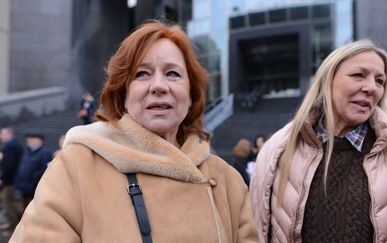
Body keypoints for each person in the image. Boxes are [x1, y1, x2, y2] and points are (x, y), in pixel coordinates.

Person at [10, 20, 258, 242]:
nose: (159, 86)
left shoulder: (228, 181)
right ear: (123, 93)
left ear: (191, 92)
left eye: (173, 73)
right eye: (142, 74)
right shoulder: (75, 167)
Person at [250, 39, 387, 242]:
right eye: (358, 75)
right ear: (328, 80)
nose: (372, 87)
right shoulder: (276, 151)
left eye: (380, 81)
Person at [14, 134, 52, 209]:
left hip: (34, 188)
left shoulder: (45, 153)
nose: (28, 141)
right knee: (24, 209)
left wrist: (33, 183)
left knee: (33, 209)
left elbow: (44, 171)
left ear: (39, 141)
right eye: (28, 139)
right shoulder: (27, 152)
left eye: (32, 139)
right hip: (23, 187)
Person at [0, 128, 23, 231]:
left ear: (8, 134)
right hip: (15, 179)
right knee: (11, 201)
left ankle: (14, 224)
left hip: (9, 180)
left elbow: (8, 165)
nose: (1, 136)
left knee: (7, 200)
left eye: (2, 134)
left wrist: (3, 178)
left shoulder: (9, 146)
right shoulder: (16, 145)